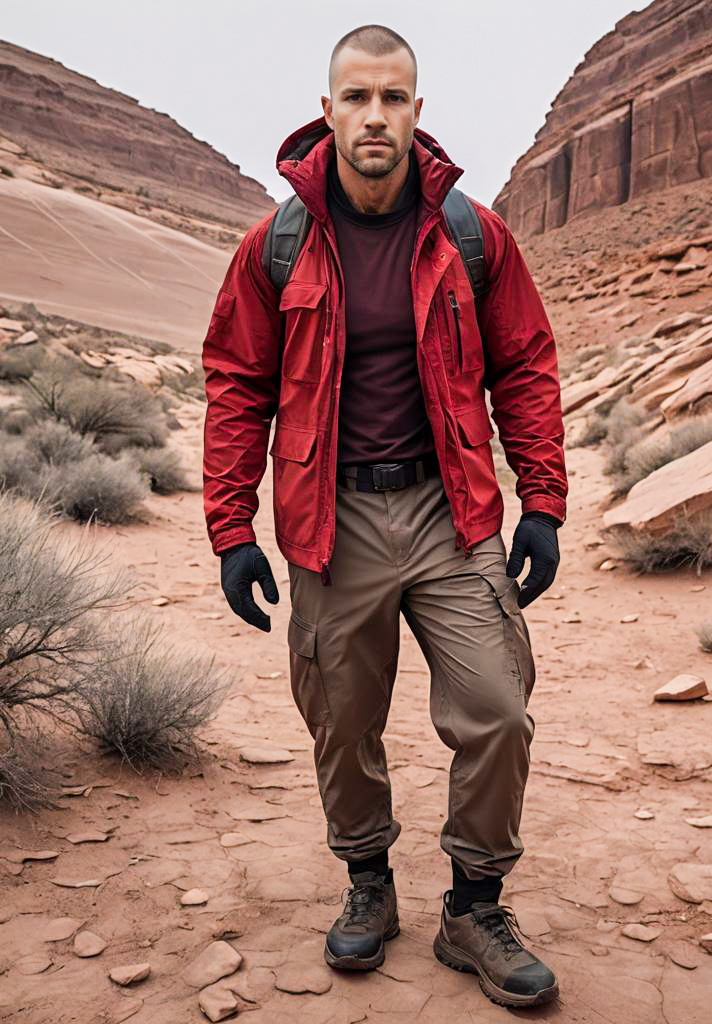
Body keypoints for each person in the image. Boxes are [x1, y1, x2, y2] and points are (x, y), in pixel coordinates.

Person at [201, 23, 567, 1010]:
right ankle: (368, 881)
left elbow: (525, 362)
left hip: (453, 515)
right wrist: (230, 530)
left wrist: (542, 503)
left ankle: (473, 907)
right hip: (332, 521)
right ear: (328, 111)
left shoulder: (468, 234)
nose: (374, 117)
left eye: (392, 98)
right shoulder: (276, 244)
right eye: (355, 98)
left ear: (416, 109)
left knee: (496, 708)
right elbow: (236, 382)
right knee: (342, 722)